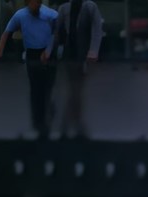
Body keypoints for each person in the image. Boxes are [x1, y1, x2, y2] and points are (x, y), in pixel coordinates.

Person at [0, 0, 58, 137]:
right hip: (33, 53)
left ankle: (47, 108)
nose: (37, 5)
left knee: (47, 86)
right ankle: (38, 119)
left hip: (48, 52)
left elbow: (56, 32)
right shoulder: (20, 15)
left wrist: (49, 51)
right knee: (35, 87)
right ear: (28, 3)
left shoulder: (50, 14)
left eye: (38, 2)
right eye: (34, 2)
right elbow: (6, 33)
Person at [46, 0, 103, 137]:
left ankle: (70, 123)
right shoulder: (63, 9)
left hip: (82, 55)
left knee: (76, 91)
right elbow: (56, 33)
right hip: (68, 54)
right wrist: (48, 51)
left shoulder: (90, 7)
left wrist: (93, 50)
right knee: (72, 91)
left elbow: (97, 29)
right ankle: (71, 123)